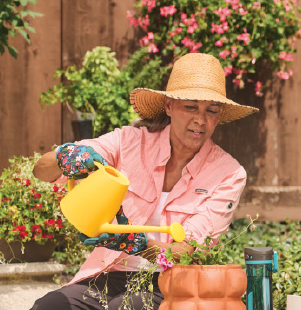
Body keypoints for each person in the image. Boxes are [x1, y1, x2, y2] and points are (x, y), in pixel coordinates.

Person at [30, 53, 257, 310]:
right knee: (49, 306)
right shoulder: (128, 141)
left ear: (219, 116)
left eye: (211, 111)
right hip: (109, 274)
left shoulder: (228, 173)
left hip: (174, 285)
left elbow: (187, 253)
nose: (200, 120)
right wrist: (64, 157)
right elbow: (41, 170)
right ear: (169, 106)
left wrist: (136, 243)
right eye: (190, 107)